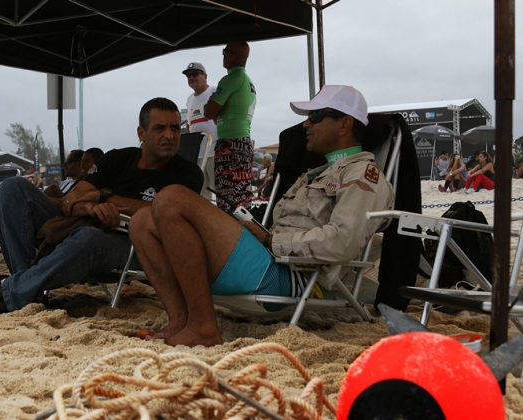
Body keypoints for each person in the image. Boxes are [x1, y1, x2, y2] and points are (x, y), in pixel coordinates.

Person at [129, 85, 394, 346]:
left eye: (314, 117)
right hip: (270, 260)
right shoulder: (316, 173)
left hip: (296, 277)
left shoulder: (363, 176)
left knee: (172, 197)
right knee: (142, 221)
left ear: (344, 125)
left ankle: (203, 327)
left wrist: (270, 242)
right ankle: (180, 320)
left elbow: (342, 243)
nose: (306, 125)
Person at [0, 97, 203, 313]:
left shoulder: (187, 174)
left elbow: (166, 213)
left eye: (175, 128)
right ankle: (28, 289)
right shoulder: (118, 159)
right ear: (141, 133)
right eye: (160, 128)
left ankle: (12, 292)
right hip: (83, 221)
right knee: (13, 188)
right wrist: (91, 208)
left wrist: (105, 198)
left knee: (87, 237)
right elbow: (74, 198)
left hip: (136, 243)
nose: (170, 136)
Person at [204, 41, 257, 213]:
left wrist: (212, 101)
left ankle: (229, 237)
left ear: (235, 54)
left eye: (225, 51)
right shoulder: (248, 81)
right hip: (243, 144)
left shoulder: (229, 80)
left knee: (227, 201)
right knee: (241, 198)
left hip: (230, 145)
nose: (223, 55)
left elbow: (209, 112)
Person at [182, 62, 218, 200]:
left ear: (205, 76)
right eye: (188, 76)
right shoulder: (189, 99)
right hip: (197, 153)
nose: (191, 77)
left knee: (218, 189)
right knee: (201, 193)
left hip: (215, 151)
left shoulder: (214, 91)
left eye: (195, 74)